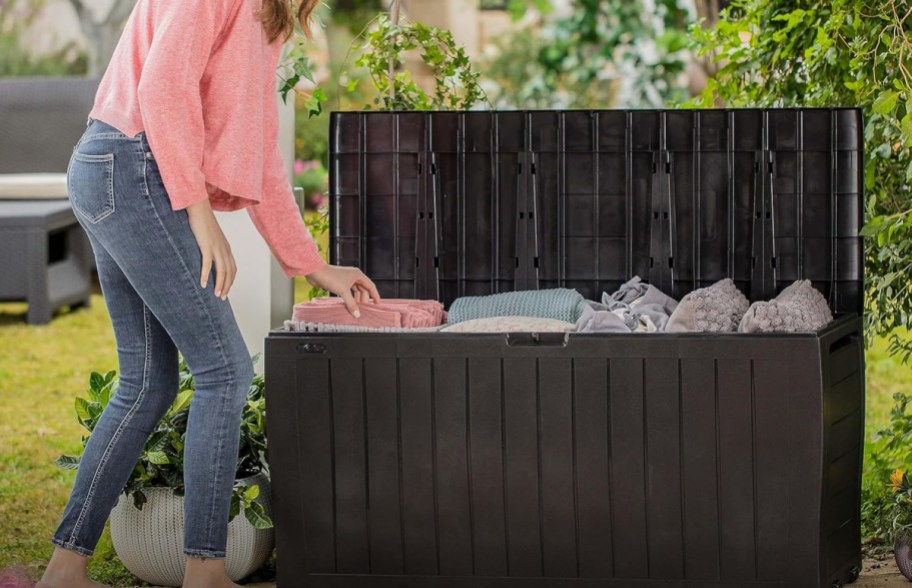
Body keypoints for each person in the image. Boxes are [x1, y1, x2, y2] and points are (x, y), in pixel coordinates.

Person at [38, 1, 379, 587]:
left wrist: (312, 265)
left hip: (115, 167)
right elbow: (162, 88)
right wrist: (200, 216)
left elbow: (263, 156)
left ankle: (65, 570)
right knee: (223, 371)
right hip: (133, 166)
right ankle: (205, 570)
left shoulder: (266, 17)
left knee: (147, 382)